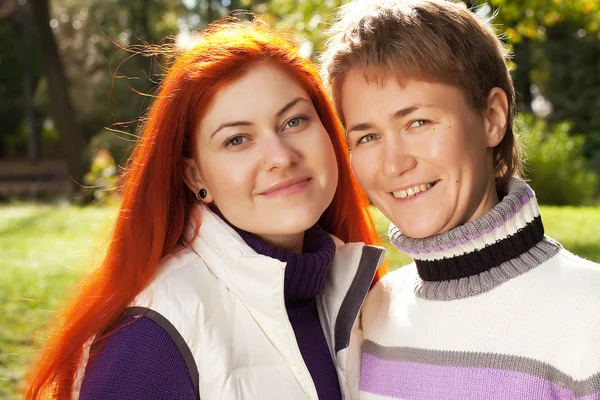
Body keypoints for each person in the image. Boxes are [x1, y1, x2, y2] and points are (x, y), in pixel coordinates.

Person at [25, 17, 386, 400]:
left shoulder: (356, 291)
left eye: (294, 121)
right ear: (195, 175)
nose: (280, 156)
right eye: (237, 140)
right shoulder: (151, 338)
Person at [320, 0, 600, 399]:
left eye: (418, 122)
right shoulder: (368, 315)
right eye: (367, 136)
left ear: (492, 118)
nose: (394, 164)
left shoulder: (590, 318)